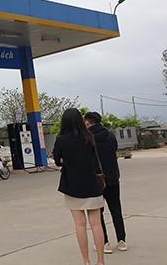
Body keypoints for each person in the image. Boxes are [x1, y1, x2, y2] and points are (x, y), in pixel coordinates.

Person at [53, 108, 105, 265]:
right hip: (92, 184)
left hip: (72, 185)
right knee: (96, 224)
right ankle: (101, 261)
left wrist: (65, 160)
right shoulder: (89, 136)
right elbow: (94, 159)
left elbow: (57, 160)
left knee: (79, 224)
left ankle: (86, 261)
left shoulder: (61, 139)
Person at [84, 111, 127, 253]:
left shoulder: (88, 137)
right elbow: (113, 151)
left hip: (97, 180)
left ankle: (104, 243)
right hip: (113, 178)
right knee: (116, 209)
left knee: (98, 213)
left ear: (88, 122)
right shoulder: (110, 136)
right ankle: (122, 241)